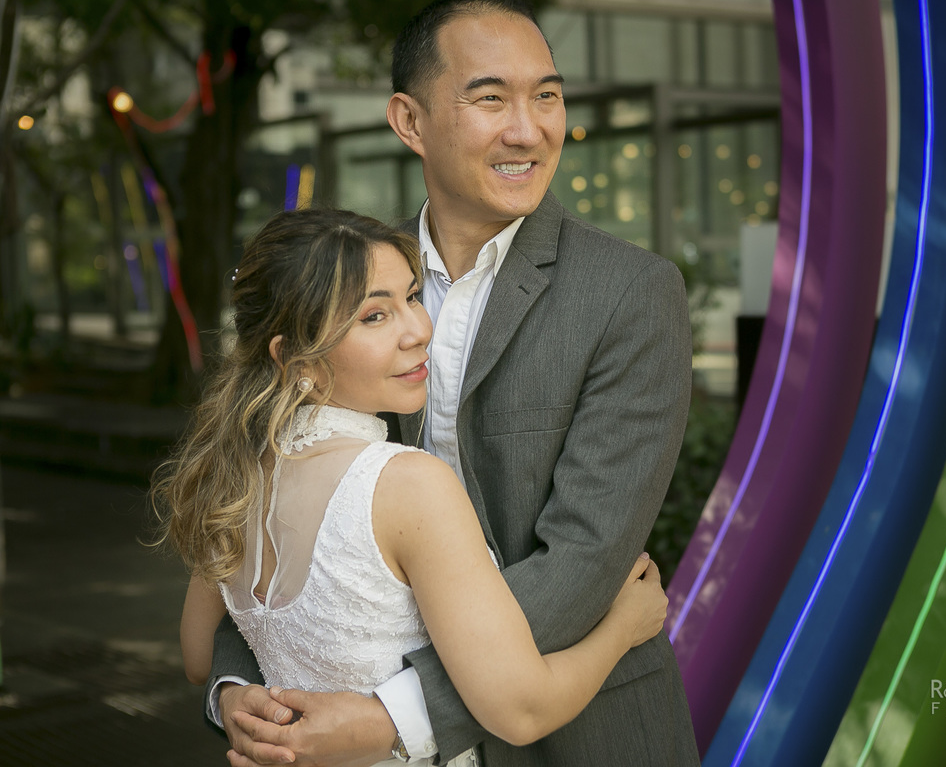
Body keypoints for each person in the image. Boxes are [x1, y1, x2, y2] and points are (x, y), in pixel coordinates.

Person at [210, 0, 700, 767]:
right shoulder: (360, 283)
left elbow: (584, 558)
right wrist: (239, 690)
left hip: (582, 730)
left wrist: (391, 715)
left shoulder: (631, 292)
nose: (529, 128)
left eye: (547, 96)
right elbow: (269, 510)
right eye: (490, 98)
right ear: (410, 121)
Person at [157, 208, 669, 767]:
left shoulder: (231, 476)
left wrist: (238, 699)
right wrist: (622, 627)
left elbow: (197, 654)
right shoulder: (406, 485)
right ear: (293, 359)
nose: (421, 328)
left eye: (412, 296)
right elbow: (522, 711)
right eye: (374, 316)